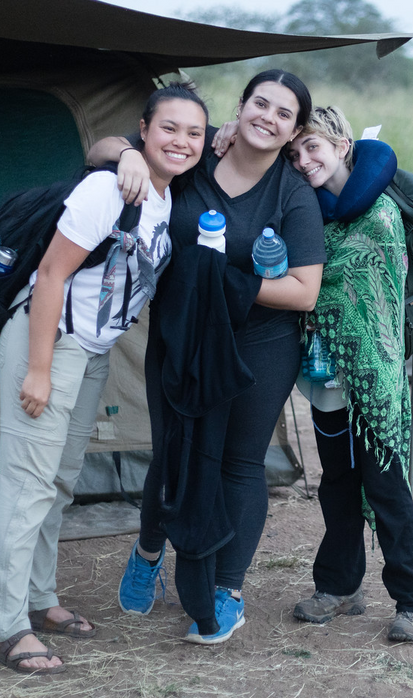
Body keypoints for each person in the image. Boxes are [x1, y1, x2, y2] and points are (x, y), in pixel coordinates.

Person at [88, 70, 323, 644]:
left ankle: (227, 588)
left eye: (283, 113)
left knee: (240, 464)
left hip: (259, 344)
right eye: (259, 103)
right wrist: (129, 157)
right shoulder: (194, 148)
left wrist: (226, 280)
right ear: (239, 109)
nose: (267, 117)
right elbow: (99, 146)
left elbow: (304, 290)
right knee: (173, 451)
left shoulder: (291, 193)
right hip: (184, 336)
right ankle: (148, 554)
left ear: (293, 132)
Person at [0, 82, 206, 674]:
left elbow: (113, 148)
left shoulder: (162, 194)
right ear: (144, 129)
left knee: (57, 482)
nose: (181, 142)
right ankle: (7, 626)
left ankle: (40, 598)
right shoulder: (110, 189)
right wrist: (37, 369)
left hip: (92, 353)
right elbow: (52, 275)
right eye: (168, 129)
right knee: (28, 484)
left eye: (194, 133)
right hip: (51, 344)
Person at [287, 107, 413, 642]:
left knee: (387, 486)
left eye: (314, 148)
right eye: (296, 153)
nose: (304, 161)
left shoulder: (378, 214)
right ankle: (339, 584)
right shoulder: (312, 210)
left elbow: (353, 284)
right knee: (338, 483)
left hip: (374, 373)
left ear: (344, 144)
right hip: (327, 375)